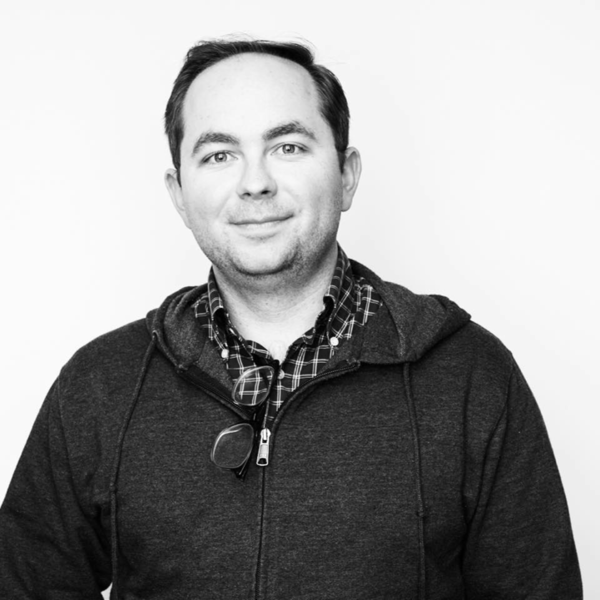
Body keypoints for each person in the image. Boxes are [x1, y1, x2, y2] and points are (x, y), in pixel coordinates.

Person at [0, 38, 582, 599]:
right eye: (219, 155)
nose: (255, 183)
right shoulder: (99, 385)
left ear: (347, 174)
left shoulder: (472, 377)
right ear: (179, 193)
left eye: (288, 147)